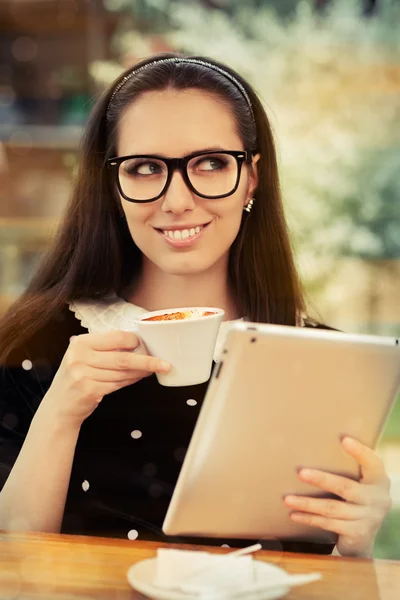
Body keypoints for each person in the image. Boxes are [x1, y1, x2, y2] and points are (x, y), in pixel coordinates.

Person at [0, 53, 391, 557]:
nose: (178, 199)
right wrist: (59, 413)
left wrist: (354, 543)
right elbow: (10, 559)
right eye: (144, 168)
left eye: (210, 163)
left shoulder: (321, 360)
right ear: (111, 185)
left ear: (252, 177)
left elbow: (316, 568)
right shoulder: (35, 342)